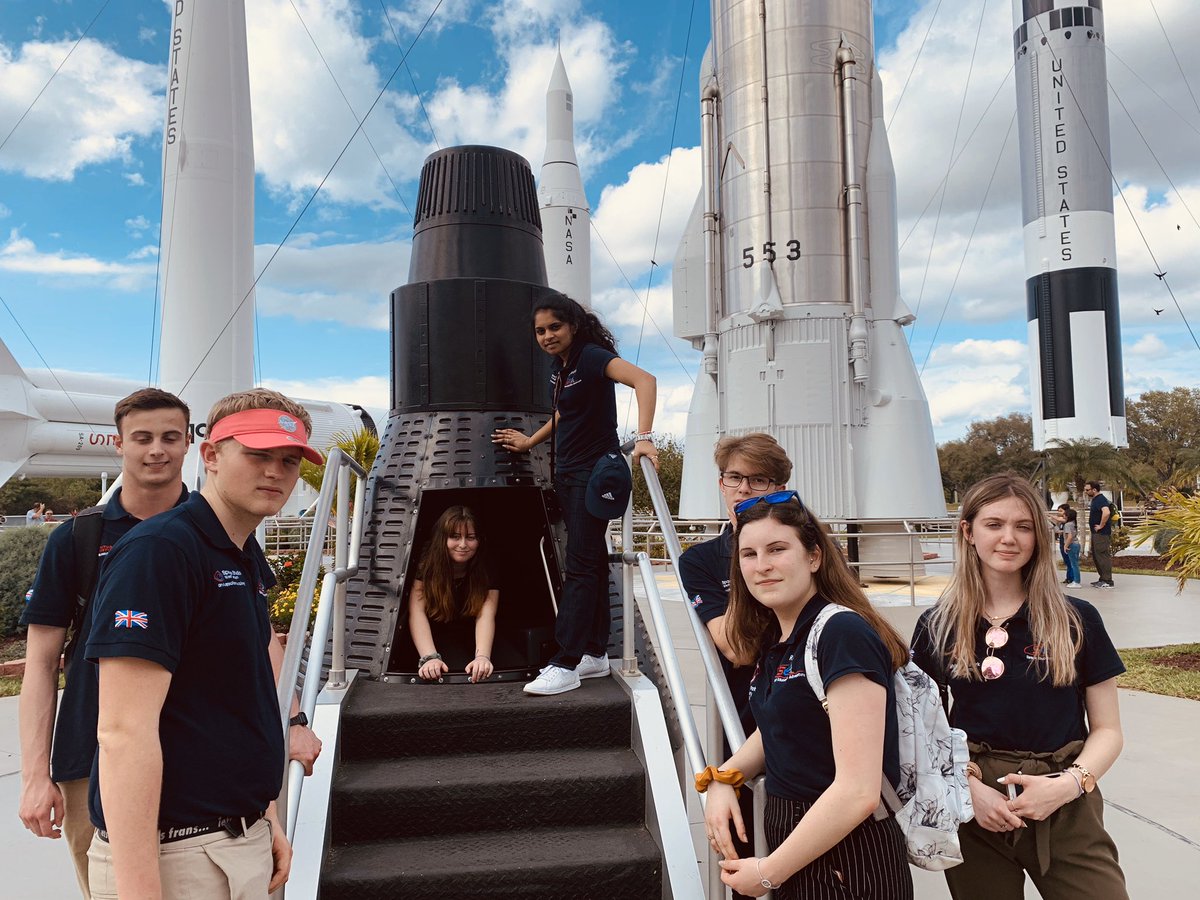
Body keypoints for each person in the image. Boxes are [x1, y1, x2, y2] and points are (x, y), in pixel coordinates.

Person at [84, 389, 324, 899]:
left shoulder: (240, 551)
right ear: (211, 456)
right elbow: (123, 733)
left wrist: (263, 818)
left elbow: (239, 701)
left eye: (289, 460)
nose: (276, 472)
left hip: (236, 839)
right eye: (257, 454)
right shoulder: (161, 551)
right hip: (177, 857)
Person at [911, 473, 1127, 900]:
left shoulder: (1076, 619)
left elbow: (1108, 730)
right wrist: (969, 790)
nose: (1009, 538)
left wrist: (1068, 785)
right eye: (994, 524)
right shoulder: (938, 624)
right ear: (968, 532)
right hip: (976, 803)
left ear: (1038, 536)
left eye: (1023, 526)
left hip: (1063, 796)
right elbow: (922, 729)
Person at [18, 389, 194, 896]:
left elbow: (255, 641)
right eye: (142, 438)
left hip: (202, 750)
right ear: (119, 444)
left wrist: (292, 720)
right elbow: (40, 664)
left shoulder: (217, 530)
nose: (156, 450)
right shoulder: (75, 539)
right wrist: (36, 776)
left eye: (170, 437)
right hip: (91, 758)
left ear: (189, 442)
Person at [701, 492, 913, 899]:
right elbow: (780, 727)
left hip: (849, 859)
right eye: (749, 554)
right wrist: (724, 778)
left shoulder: (842, 633)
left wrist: (767, 872)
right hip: (800, 850)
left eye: (777, 549)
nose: (762, 565)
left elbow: (858, 792)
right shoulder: (780, 637)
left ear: (814, 557)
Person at [492, 292, 657, 696]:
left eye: (555, 327)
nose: (547, 336)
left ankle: (565, 662)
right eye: (540, 331)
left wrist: (644, 437)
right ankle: (595, 653)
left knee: (580, 566)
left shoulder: (593, 357)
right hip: (567, 473)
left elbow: (645, 380)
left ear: (574, 326)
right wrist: (530, 441)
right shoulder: (561, 367)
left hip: (592, 473)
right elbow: (566, 411)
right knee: (592, 562)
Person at [679, 432, 791, 890]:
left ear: (780, 488)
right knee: (745, 869)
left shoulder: (809, 547)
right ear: (721, 483)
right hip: (743, 729)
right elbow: (737, 648)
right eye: (734, 478)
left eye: (758, 480)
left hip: (812, 728)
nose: (744, 489)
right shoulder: (702, 561)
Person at [409, 505, 499, 684]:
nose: (463, 545)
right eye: (455, 537)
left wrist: (482, 657)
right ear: (442, 538)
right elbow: (416, 611)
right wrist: (429, 658)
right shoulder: (426, 563)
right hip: (437, 634)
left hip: (471, 633)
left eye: (470, 537)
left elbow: (486, 614)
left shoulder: (485, 564)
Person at [1084, 481, 1114, 589]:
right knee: (1097, 556)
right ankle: (1102, 579)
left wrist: (1101, 525)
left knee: (1102, 556)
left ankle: (1107, 580)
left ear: (1094, 490)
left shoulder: (1100, 499)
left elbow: (1106, 512)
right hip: (1096, 533)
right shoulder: (1096, 500)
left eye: (1087, 490)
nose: (1086, 492)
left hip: (1101, 533)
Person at [1059, 505, 1081, 588]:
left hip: (1072, 545)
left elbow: (1070, 537)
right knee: (1075, 563)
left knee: (1073, 564)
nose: (1063, 516)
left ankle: (1076, 581)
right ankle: (1076, 580)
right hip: (1076, 544)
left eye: (1065, 515)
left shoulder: (1068, 524)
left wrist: (1065, 545)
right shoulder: (1073, 523)